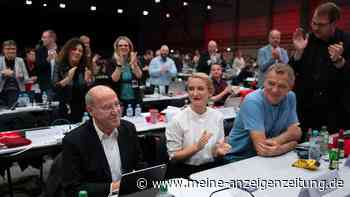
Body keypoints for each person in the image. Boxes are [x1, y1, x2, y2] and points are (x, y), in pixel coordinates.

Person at [62, 85, 145, 197]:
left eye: (117, 104)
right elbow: (73, 189)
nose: (115, 112)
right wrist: (117, 186)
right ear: (90, 111)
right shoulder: (74, 141)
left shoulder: (128, 129)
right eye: (107, 107)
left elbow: (139, 164)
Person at [290, 2, 350, 134]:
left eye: (321, 25)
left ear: (334, 24)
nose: (316, 28)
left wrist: (339, 62)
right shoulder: (307, 39)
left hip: (335, 114)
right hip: (306, 111)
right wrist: (298, 53)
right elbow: (292, 72)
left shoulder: (347, 41)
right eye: (314, 23)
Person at [225, 64, 301, 162]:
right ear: (264, 81)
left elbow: (297, 132)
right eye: (271, 83)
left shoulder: (291, 97)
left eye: (282, 86)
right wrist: (292, 144)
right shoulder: (253, 101)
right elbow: (262, 150)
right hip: (238, 158)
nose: (275, 90)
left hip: (268, 158)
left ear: (290, 88)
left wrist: (278, 142)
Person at [166, 73, 231, 178]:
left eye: (200, 89)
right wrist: (196, 147)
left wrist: (219, 153)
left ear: (210, 92)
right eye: (191, 89)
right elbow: (174, 158)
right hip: (185, 171)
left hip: (211, 169)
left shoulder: (217, 116)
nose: (195, 93)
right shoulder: (177, 119)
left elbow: (215, 152)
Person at [53, 38, 92, 123]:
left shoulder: (84, 67)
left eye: (80, 51)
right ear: (68, 50)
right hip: (65, 108)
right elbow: (54, 88)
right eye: (74, 49)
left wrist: (88, 82)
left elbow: (87, 92)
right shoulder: (59, 65)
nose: (77, 52)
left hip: (82, 109)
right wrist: (68, 79)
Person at [107, 36, 142, 115]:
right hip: (119, 100)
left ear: (129, 47)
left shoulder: (135, 60)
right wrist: (119, 64)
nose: (123, 47)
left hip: (135, 98)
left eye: (126, 45)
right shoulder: (112, 61)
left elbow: (139, 76)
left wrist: (134, 64)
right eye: (120, 45)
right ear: (116, 48)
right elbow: (114, 79)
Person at [0, 40, 29, 107]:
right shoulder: (0, 60)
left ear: (16, 50)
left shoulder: (20, 60)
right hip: (2, 90)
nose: (11, 51)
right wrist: (2, 73)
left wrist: (19, 75)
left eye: (13, 49)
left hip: (16, 90)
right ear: (3, 50)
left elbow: (26, 78)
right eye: (8, 49)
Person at [36, 29, 58, 101]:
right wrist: (47, 60)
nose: (42, 39)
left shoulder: (61, 50)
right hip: (46, 86)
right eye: (42, 37)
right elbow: (38, 68)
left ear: (52, 39)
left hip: (59, 85)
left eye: (44, 37)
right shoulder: (39, 51)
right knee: (48, 108)